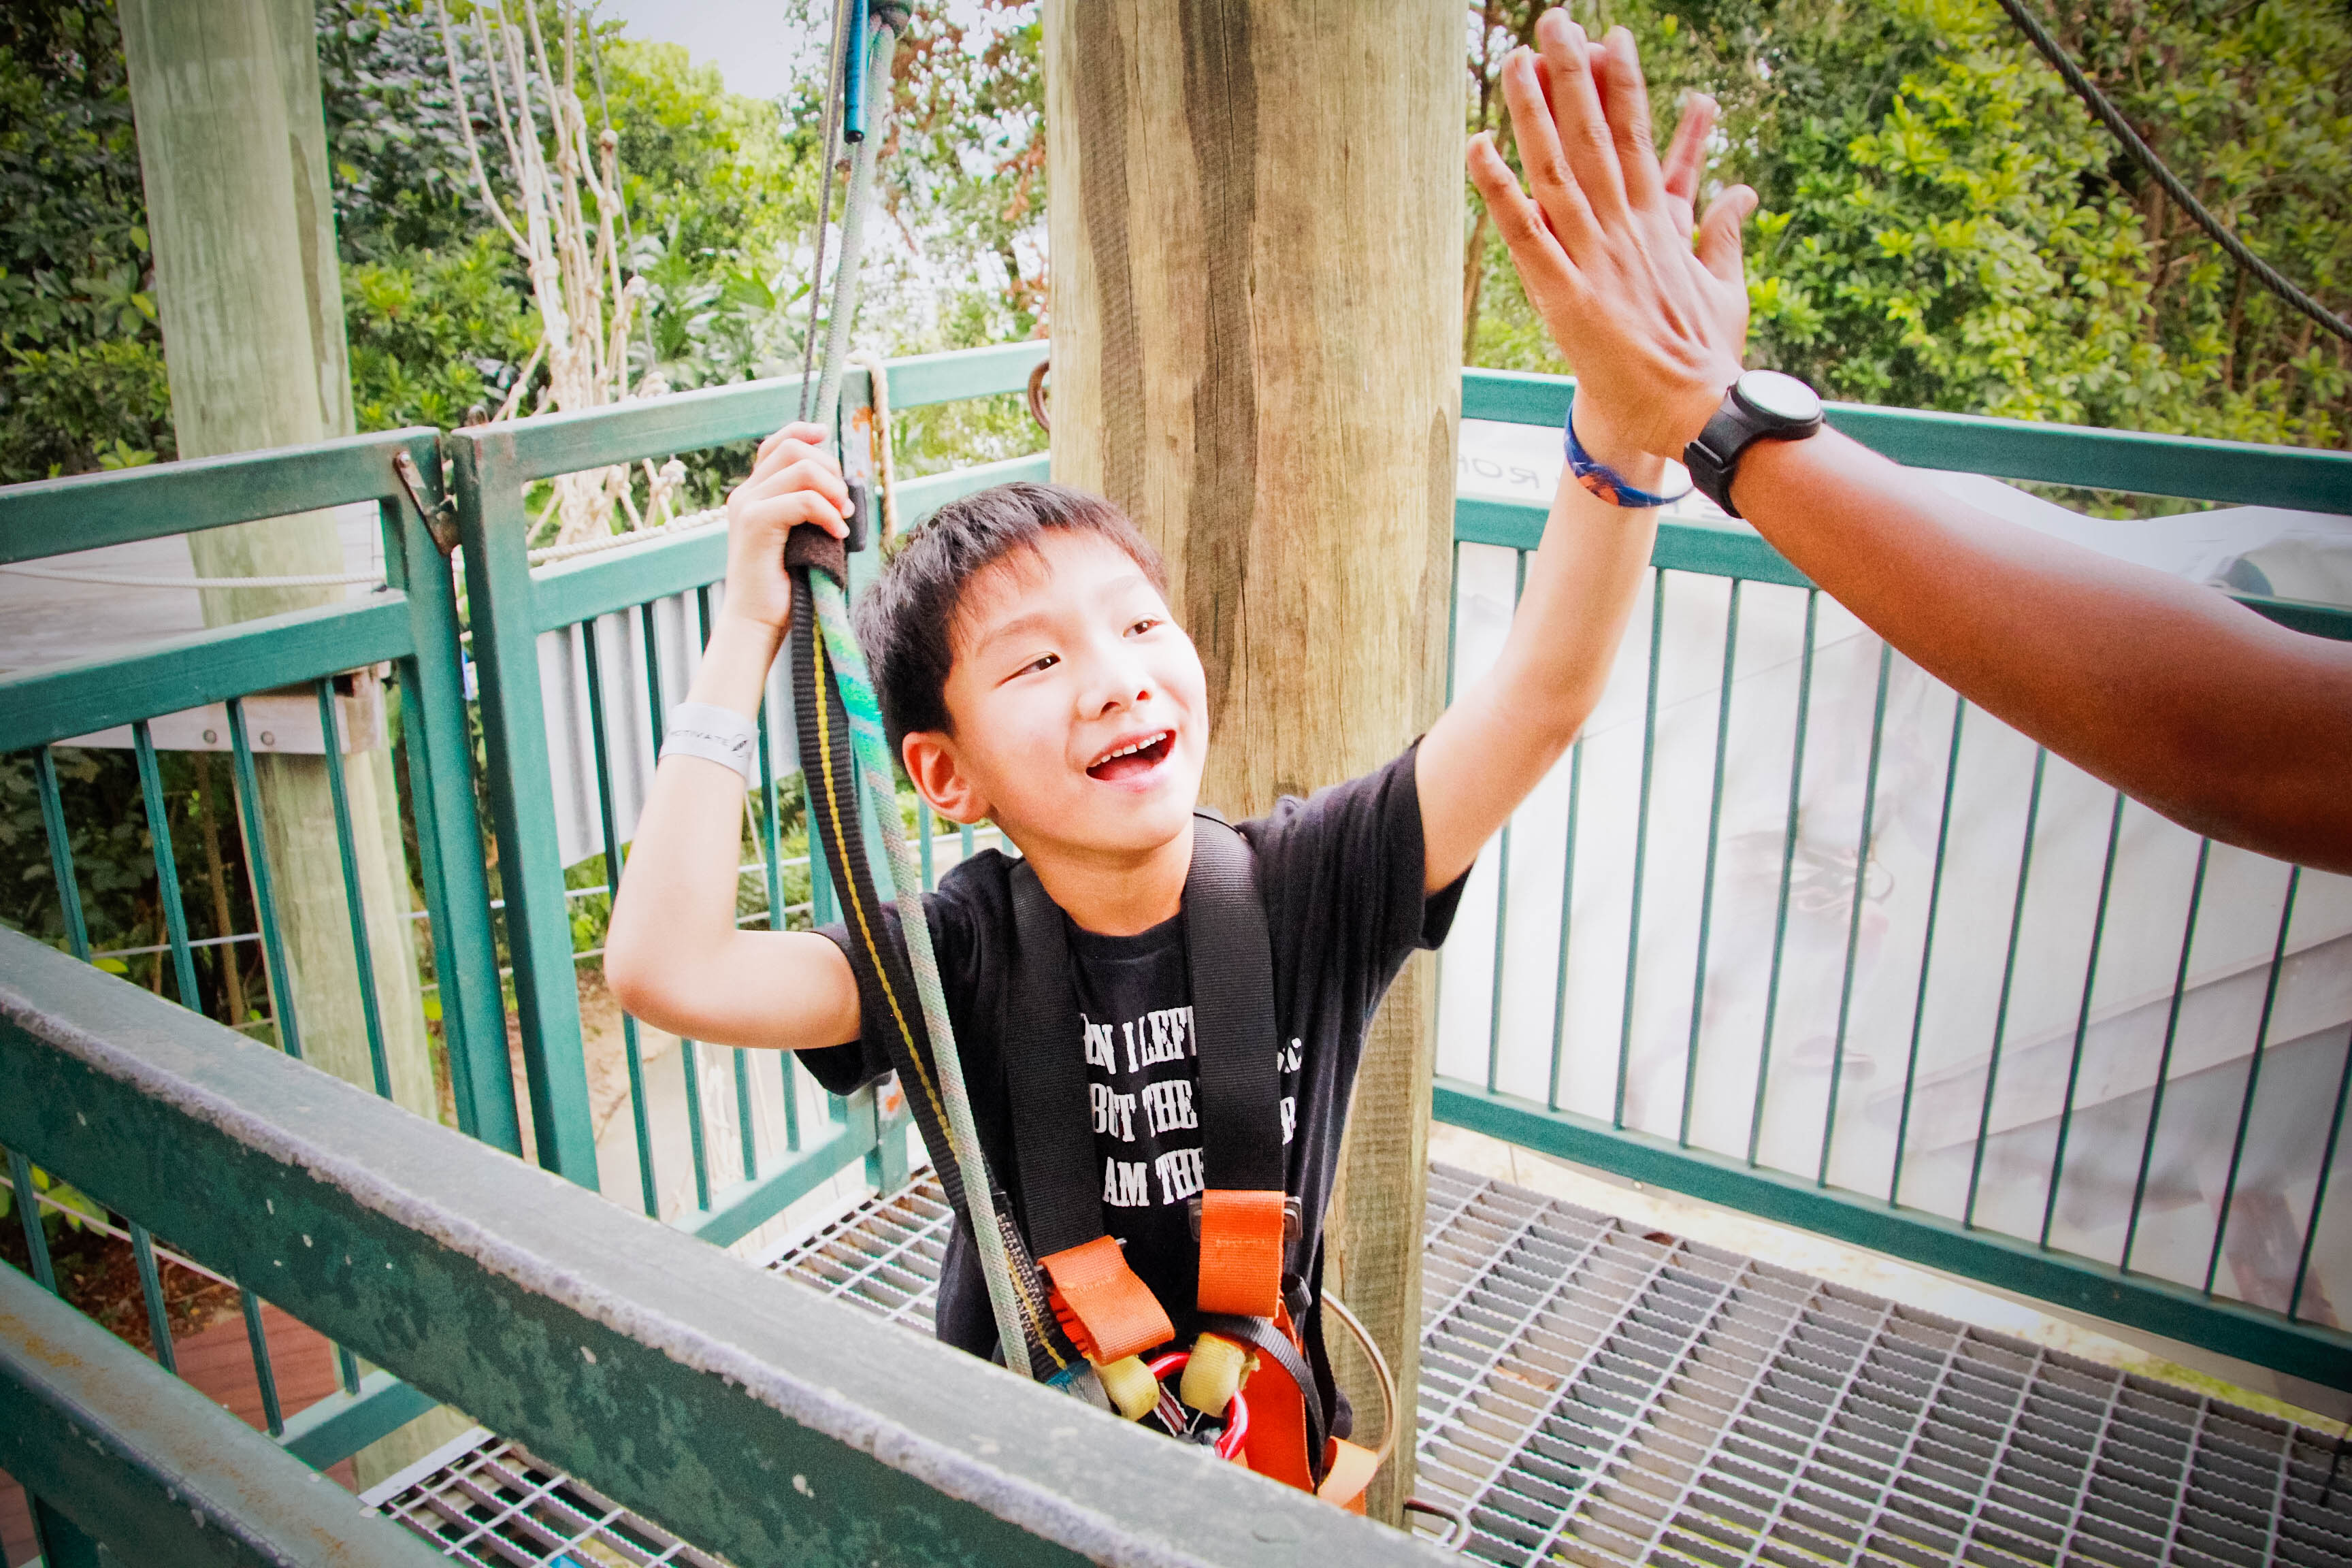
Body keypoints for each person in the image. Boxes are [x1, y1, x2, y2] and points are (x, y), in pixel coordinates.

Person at [603, 12, 1733, 1481]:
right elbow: (663, 970)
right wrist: (745, 633)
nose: (1115, 682)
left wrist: (1625, 440)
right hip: (1019, 1460)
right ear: (945, 773)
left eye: (1140, 629)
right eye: (1038, 662)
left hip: (1257, 1459)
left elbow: (1539, 697)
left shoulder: (1314, 886)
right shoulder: (951, 964)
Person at [1463, 14, 2352, 877]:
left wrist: (1692, 408)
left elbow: (2261, 749)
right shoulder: (1339, 857)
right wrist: (1689, 402)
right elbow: (2249, 742)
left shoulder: (1342, 862)